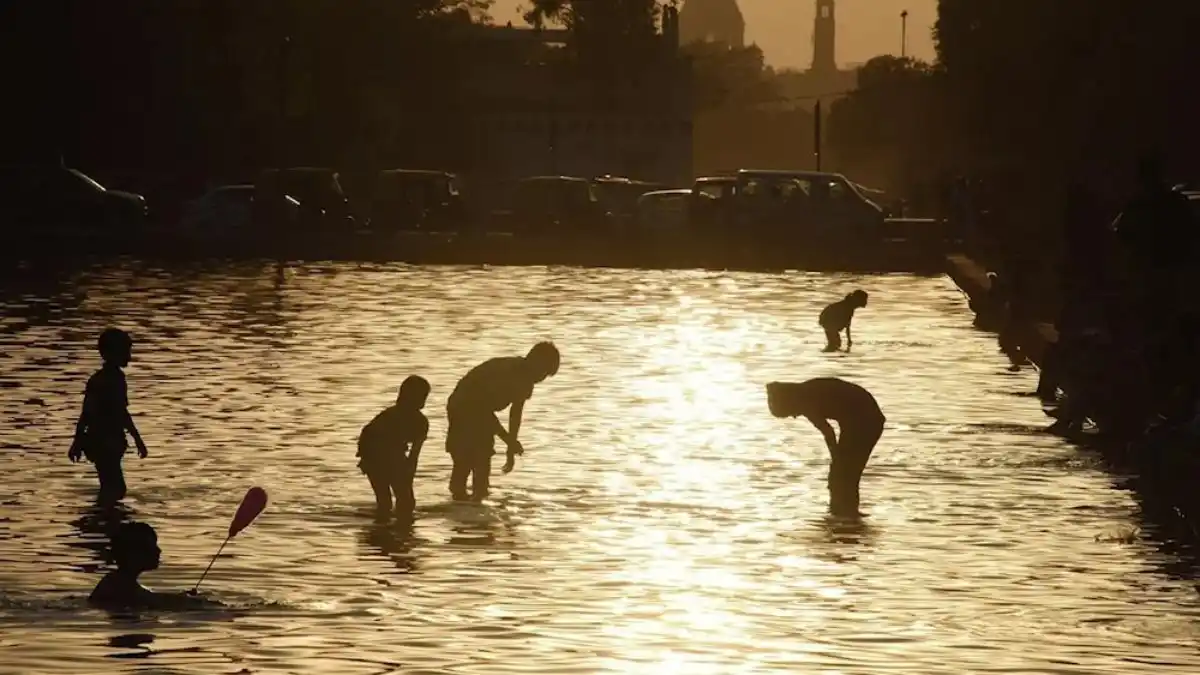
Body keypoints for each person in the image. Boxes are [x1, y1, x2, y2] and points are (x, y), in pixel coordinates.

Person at [445, 342, 560, 502]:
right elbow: (482, 411)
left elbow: (515, 413)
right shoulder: (507, 372)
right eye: (543, 372)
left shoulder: (526, 380)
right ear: (535, 362)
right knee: (466, 459)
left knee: (482, 460)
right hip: (462, 407)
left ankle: (475, 503)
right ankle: (461, 501)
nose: (541, 379)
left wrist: (510, 448)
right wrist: (507, 439)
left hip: (480, 412)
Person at [766, 378, 886, 517]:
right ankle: (842, 514)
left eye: (789, 413)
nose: (793, 416)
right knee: (841, 473)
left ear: (789, 402)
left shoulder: (806, 399)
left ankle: (846, 513)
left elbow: (828, 432)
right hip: (854, 421)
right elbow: (828, 433)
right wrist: (836, 458)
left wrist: (836, 457)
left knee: (846, 473)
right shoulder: (804, 393)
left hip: (867, 421)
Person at [68, 328, 148, 503]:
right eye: (125, 351)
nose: (129, 357)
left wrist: (77, 441)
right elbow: (118, 412)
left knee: (111, 486)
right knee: (115, 488)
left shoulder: (102, 379)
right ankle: (105, 515)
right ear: (111, 353)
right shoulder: (112, 380)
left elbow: (87, 413)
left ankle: (103, 514)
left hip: (103, 441)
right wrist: (137, 439)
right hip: (106, 442)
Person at [357, 376, 430, 520]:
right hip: (379, 456)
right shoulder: (420, 422)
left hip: (373, 456)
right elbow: (414, 455)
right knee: (405, 502)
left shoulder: (388, 415)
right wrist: (408, 476)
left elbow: (367, 433)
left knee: (385, 502)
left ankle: (383, 526)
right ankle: (401, 527)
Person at [89, 521, 202, 610]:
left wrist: (181, 597)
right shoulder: (118, 584)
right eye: (151, 546)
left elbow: (150, 598)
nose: (158, 550)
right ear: (133, 553)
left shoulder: (117, 581)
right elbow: (151, 600)